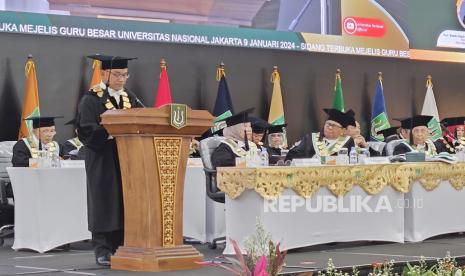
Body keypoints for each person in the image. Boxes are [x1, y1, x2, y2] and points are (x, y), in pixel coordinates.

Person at [77, 55, 142, 266]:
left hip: (126, 158)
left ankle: (121, 246)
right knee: (104, 201)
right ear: (104, 74)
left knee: (124, 200)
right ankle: (102, 249)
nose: (121, 79)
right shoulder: (91, 99)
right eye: (117, 74)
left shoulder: (130, 97)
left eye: (124, 75)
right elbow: (85, 131)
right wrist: (111, 131)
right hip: (102, 157)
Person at [285, 108, 355, 161]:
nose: (329, 127)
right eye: (328, 124)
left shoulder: (348, 141)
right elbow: (293, 154)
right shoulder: (310, 138)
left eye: (333, 125)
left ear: (343, 130)